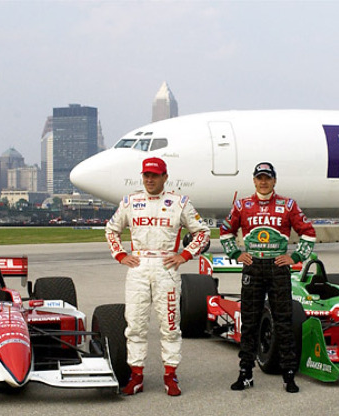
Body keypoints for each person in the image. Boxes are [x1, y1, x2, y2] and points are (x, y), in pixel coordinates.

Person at [105, 157, 210, 396]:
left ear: (165, 177)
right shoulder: (130, 201)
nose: (149, 180)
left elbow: (202, 232)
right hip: (138, 267)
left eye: (154, 175)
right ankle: (136, 376)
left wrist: (185, 255)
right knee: (135, 325)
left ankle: (171, 376)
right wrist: (120, 255)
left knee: (170, 325)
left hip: (166, 268)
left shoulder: (179, 202)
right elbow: (111, 229)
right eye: (146, 175)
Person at [219, 162, 317, 393]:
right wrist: (235, 253)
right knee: (250, 321)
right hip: (253, 267)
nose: (263, 182)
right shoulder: (242, 204)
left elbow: (308, 233)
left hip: (277, 267)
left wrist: (295, 258)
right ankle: (245, 374)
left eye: (267, 178)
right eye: (259, 178)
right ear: (254, 180)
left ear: (274, 181)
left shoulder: (288, 204)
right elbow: (225, 231)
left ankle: (289, 375)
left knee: (283, 322)